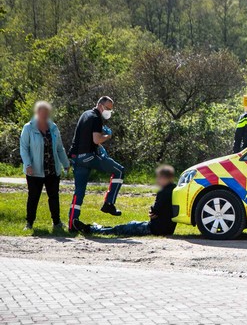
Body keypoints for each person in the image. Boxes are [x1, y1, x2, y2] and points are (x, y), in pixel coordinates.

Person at [67, 96, 125, 233]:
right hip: (88, 157)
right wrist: (107, 136)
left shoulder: (85, 114)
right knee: (119, 171)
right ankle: (109, 204)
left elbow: (85, 137)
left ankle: (72, 222)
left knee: (79, 191)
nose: (109, 112)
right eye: (108, 108)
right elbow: (96, 139)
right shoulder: (96, 118)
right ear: (100, 106)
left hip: (76, 158)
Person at [76, 165, 177, 236]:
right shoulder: (175, 189)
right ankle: (98, 228)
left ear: (164, 178)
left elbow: (155, 210)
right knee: (129, 224)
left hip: (155, 229)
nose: (158, 180)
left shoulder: (163, 191)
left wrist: (152, 211)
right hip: (168, 229)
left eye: (159, 177)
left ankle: (91, 229)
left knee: (121, 229)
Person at [19, 101, 70, 231]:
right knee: (33, 196)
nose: (45, 115)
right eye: (42, 112)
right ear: (37, 113)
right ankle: (29, 223)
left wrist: (66, 163)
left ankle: (57, 222)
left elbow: (59, 148)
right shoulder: (28, 128)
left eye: (47, 112)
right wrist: (28, 164)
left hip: (52, 168)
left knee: (54, 196)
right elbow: (24, 148)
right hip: (34, 170)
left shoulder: (53, 127)